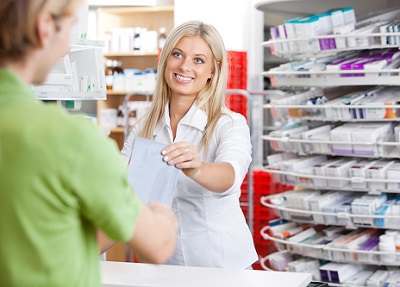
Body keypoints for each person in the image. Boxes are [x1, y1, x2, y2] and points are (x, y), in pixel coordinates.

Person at [0, 1, 177, 286]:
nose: (69, 47)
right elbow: (158, 245)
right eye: (70, 27)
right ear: (44, 27)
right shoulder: (68, 139)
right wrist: (163, 216)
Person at [122, 21, 257, 269]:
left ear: (212, 72)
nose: (184, 66)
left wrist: (198, 169)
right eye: (177, 54)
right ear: (165, 60)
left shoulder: (229, 124)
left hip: (223, 267)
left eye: (198, 60)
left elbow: (230, 175)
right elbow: (121, 182)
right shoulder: (144, 127)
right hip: (167, 266)